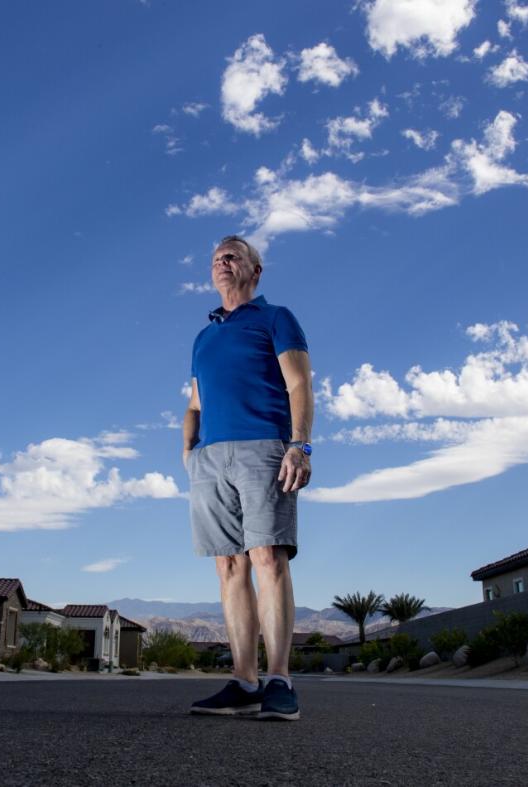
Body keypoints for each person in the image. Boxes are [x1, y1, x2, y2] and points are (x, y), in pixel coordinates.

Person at [183, 234, 313, 721]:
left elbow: (299, 382)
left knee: (268, 557)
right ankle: (243, 680)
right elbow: (194, 403)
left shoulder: (276, 317)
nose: (223, 261)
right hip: (210, 459)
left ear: (255, 271)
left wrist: (299, 445)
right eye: (217, 257)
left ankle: (279, 680)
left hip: (264, 447)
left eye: (234, 255)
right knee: (228, 567)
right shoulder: (203, 337)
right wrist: (188, 450)